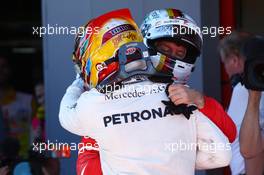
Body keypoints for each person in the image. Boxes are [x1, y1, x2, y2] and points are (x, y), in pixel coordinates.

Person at [59, 8, 234, 175]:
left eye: (180, 53)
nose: (172, 56)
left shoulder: (96, 102)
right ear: (144, 45)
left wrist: (81, 82)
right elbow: (223, 153)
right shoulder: (186, 100)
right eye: (166, 49)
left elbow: (87, 167)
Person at [219, 31, 264, 175]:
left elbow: (251, 149)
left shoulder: (243, 89)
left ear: (234, 60)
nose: (225, 69)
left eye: (224, 63)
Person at [0, 55, 35, 158]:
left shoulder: (28, 101)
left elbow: (38, 128)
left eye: (3, 66)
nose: (0, 70)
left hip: (22, 161)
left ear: (10, 70)